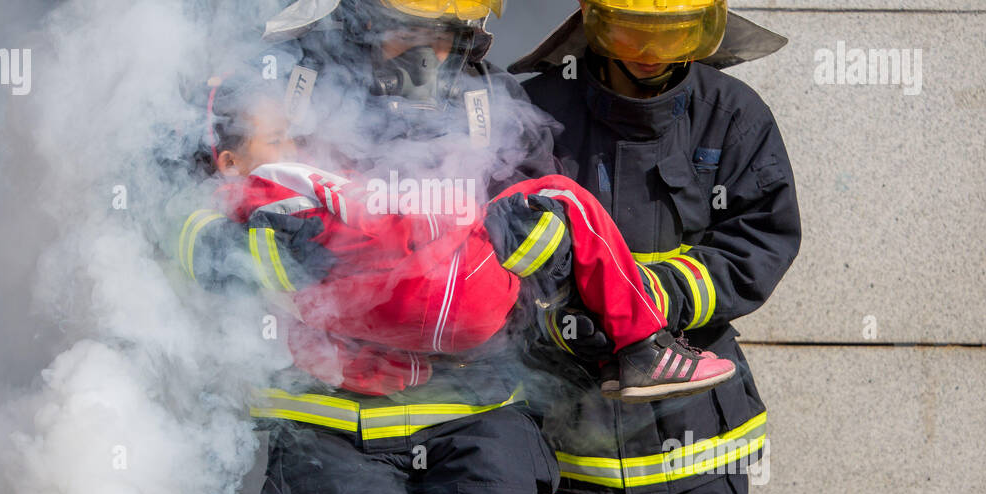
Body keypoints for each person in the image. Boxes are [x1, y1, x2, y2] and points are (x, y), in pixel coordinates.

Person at [178, 0, 560, 494]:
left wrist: (517, 266)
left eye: (448, 29)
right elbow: (183, 219)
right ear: (359, 10)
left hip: (475, 401)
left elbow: (548, 228)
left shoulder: (493, 106)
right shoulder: (275, 94)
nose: (433, 49)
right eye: (411, 26)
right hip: (328, 408)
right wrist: (277, 256)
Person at [511, 0, 802, 494]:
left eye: (673, 33)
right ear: (593, 15)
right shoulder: (535, 113)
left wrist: (657, 293)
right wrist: (554, 310)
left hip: (688, 448)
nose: (650, 51)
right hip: (560, 451)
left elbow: (760, 240)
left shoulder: (734, 116)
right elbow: (490, 247)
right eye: (634, 30)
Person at [180, 76, 736, 401]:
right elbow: (381, 222)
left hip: (392, 338)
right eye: (280, 138)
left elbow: (300, 311)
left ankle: (400, 371)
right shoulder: (280, 183)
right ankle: (645, 348)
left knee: (308, 311)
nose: (297, 147)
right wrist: (474, 223)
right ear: (230, 162)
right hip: (462, 295)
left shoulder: (246, 222)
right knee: (565, 199)